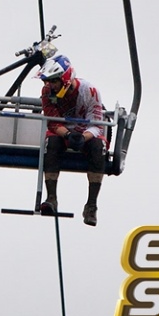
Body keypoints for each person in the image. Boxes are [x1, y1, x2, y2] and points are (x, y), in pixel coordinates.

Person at [37, 54, 105, 226]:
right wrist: (67, 135)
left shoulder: (89, 91)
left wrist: (83, 137)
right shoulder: (47, 92)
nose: (49, 85)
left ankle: (91, 205)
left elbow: (98, 125)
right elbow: (52, 121)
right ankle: (51, 198)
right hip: (63, 131)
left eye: (53, 81)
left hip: (87, 131)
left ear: (64, 79)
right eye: (47, 81)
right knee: (51, 144)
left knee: (98, 149)